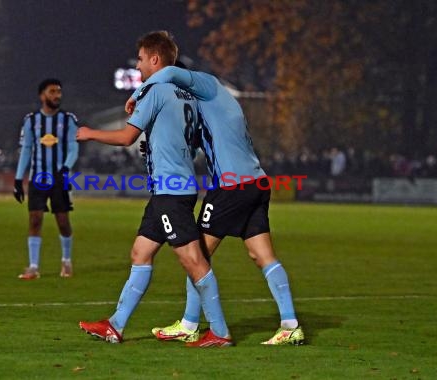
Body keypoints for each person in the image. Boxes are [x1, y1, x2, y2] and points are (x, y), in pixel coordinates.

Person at [126, 65, 305, 345]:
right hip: (255, 183)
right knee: (261, 255)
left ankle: (189, 324)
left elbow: (171, 71)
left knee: (198, 256)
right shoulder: (208, 108)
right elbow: (198, 144)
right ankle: (290, 324)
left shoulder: (207, 86)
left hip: (230, 187)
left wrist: (138, 94)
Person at [76, 31, 232, 347]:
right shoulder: (186, 95)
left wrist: (89, 133)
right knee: (141, 252)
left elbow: (126, 138)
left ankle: (220, 331)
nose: (138, 64)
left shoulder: (157, 92)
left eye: (141, 59)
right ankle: (115, 326)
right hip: (173, 188)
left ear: (155, 59)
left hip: (171, 192)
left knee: (193, 259)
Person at [13, 78, 79, 280]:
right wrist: (18, 179)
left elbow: (74, 148)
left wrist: (65, 168)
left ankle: (66, 261)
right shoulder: (31, 121)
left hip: (59, 178)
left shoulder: (68, 119)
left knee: (62, 221)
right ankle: (33, 267)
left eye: (59, 91)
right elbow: (26, 150)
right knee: (35, 219)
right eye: (52, 91)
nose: (57, 95)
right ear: (42, 95)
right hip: (38, 178)